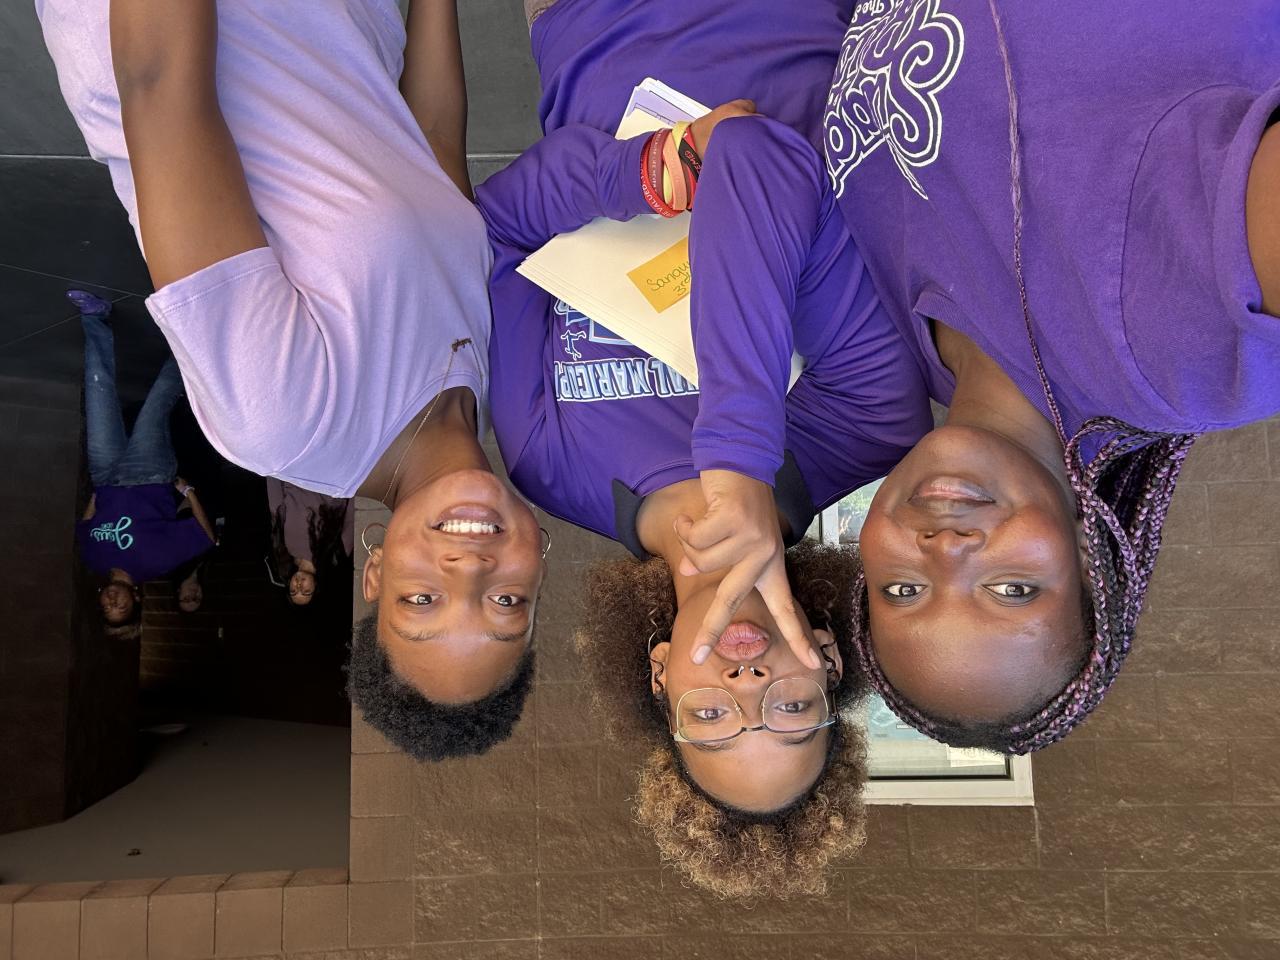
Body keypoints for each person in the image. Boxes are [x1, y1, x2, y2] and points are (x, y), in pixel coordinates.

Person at [464, 0, 934, 895]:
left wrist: (645, 171)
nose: (748, 681)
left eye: (713, 717)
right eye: (789, 709)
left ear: (660, 679)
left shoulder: (549, 464)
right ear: (829, 664)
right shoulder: (871, 426)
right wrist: (738, 458)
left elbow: (494, 231)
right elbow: (757, 157)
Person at [37, 0, 546, 759]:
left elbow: (160, 87)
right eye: (504, 601)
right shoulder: (485, 382)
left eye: (423, 600)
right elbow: (433, 142)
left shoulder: (288, 419)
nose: (469, 569)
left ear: (375, 574)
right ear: (538, 576)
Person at [819, 0, 1280, 752]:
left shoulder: (895, 336)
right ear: (1091, 562)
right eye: (1012, 589)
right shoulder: (1175, 352)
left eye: (903, 590)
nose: (946, 549)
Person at [70, 291, 216, 633]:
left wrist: (96, 497)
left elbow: (86, 525)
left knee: (98, 394)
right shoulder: (157, 563)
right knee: (160, 396)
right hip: (150, 473)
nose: (113, 602)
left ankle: (94, 316)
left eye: (107, 607)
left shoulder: (93, 558)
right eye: (121, 608)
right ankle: (196, 326)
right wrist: (189, 492)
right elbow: (206, 536)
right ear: (135, 598)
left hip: (106, 473)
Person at [265, 478, 353, 607]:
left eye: (293, 590)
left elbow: (276, 508)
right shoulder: (335, 554)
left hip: (296, 475)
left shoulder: (284, 550)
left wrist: (271, 473)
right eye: (306, 591)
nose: (299, 586)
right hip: (331, 479)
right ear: (316, 586)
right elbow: (351, 516)